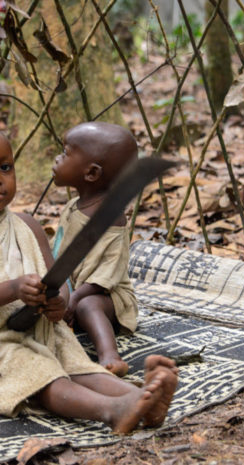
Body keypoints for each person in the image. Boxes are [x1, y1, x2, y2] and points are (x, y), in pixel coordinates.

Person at [0, 123, 177, 433]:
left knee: (75, 363)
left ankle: (141, 397)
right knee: (41, 374)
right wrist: (15, 288)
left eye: (5, 167)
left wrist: (56, 305)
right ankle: (112, 410)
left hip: (37, 329)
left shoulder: (27, 225)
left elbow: (58, 287)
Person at [51, 121, 141, 377]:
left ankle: (109, 356)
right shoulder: (73, 207)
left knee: (88, 306)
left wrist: (75, 299)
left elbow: (107, 276)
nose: (58, 159)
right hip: (71, 288)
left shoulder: (111, 219)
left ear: (91, 173)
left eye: (65, 154)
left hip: (106, 296)